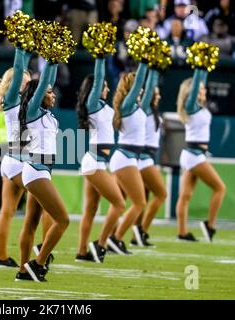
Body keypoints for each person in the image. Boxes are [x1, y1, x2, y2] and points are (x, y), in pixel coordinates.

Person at [16, 60, 70, 282]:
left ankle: (22, 271)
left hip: (42, 170)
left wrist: (55, 62)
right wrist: (51, 58)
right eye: (49, 92)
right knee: (63, 220)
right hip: (36, 169)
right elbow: (45, 82)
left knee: (31, 223)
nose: (53, 94)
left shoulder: (47, 115)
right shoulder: (32, 111)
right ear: (38, 95)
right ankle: (37, 264)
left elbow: (51, 81)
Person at [76, 57, 125, 263]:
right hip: (95, 161)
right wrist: (100, 57)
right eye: (103, 86)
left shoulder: (103, 106)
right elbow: (98, 80)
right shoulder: (93, 104)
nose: (106, 89)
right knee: (119, 204)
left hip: (97, 161)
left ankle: (81, 252)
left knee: (91, 210)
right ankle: (101, 243)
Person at [176, 68, 226, 242]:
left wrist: (204, 68)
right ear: (193, 91)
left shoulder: (199, 107)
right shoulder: (190, 106)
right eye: (201, 88)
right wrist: (198, 67)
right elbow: (197, 82)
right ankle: (210, 225)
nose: (204, 90)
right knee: (220, 188)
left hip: (194, 154)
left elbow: (201, 80)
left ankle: (182, 233)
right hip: (194, 154)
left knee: (185, 195)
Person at [0, 47, 32, 268]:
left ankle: (1, 257)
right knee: (43, 204)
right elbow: (18, 72)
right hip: (18, 160)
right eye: (23, 81)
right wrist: (21, 50)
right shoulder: (13, 98)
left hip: (13, 159)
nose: (26, 85)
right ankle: (37, 251)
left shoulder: (19, 101)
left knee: (7, 211)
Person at [106, 61, 149, 255]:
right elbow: (140, 81)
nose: (142, 89)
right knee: (139, 203)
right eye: (138, 87)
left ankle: (105, 239)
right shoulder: (127, 104)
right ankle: (116, 239)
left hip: (129, 159)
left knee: (120, 203)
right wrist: (144, 62)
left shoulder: (137, 107)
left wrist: (154, 68)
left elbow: (146, 89)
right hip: (125, 158)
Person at [132, 67, 167, 246]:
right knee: (161, 194)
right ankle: (141, 230)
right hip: (143, 158)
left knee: (143, 200)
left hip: (148, 158)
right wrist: (153, 69)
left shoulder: (152, 112)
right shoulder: (143, 110)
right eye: (156, 93)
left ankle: (135, 234)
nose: (158, 96)